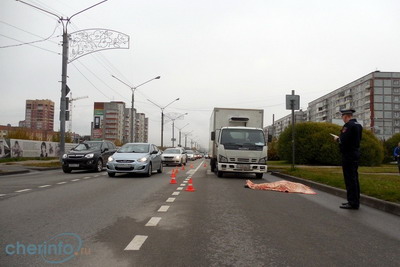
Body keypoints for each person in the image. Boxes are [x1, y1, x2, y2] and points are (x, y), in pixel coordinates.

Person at [332, 109, 363, 210]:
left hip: (348, 154)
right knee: (354, 178)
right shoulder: (358, 125)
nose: (342, 119)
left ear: (346, 116)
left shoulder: (348, 125)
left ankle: (352, 202)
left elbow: (343, 140)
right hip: (355, 153)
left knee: (349, 179)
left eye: (342, 117)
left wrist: (337, 139)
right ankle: (355, 200)